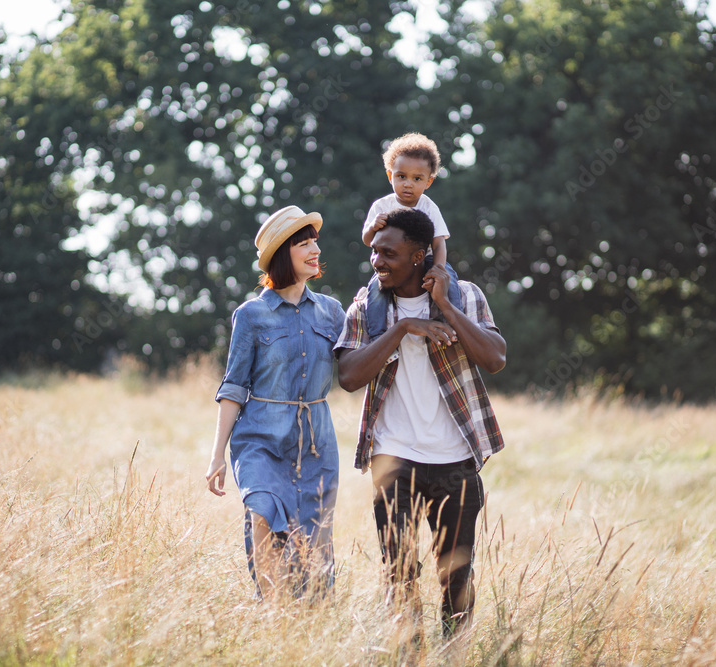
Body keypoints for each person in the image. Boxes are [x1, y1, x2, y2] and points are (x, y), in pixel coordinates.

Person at [336, 207, 506, 640]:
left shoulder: (465, 295)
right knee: (399, 575)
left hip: (455, 461)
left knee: (457, 577)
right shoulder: (367, 305)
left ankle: (454, 655)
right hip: (393, 459)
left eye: (388, 253)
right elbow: (349, 376)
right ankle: (408, 655)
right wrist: (403, 329)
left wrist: (444, 307)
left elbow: (495, 358)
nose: (377, 261)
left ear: (418, 256)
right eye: (374, 252)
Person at [206, 205, 345, 602]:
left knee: (312, 539)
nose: (315, 250)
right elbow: (234, 387)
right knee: (262, 511)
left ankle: (308, 614)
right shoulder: (251, 315)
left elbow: (359, 364)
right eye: (304, 244)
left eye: (315, 241)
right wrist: (217, 456)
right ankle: (270, 608)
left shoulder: (332, 312)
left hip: (315, 444)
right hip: (260, 440)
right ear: (283, 254)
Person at [361, 132, 463, 340]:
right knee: (375, 291)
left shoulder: (429, 206)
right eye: (401, 176)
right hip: (391, 263)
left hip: (426, 258)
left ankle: (452, 324)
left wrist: (438, 268)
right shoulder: (382, 206)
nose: (408, 184)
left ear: (428, 182)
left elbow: (438, 243)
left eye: (417, 179)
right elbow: (367, 240)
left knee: (450, 282)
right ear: (390, 176)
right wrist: (372, 227)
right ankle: (377, 335)